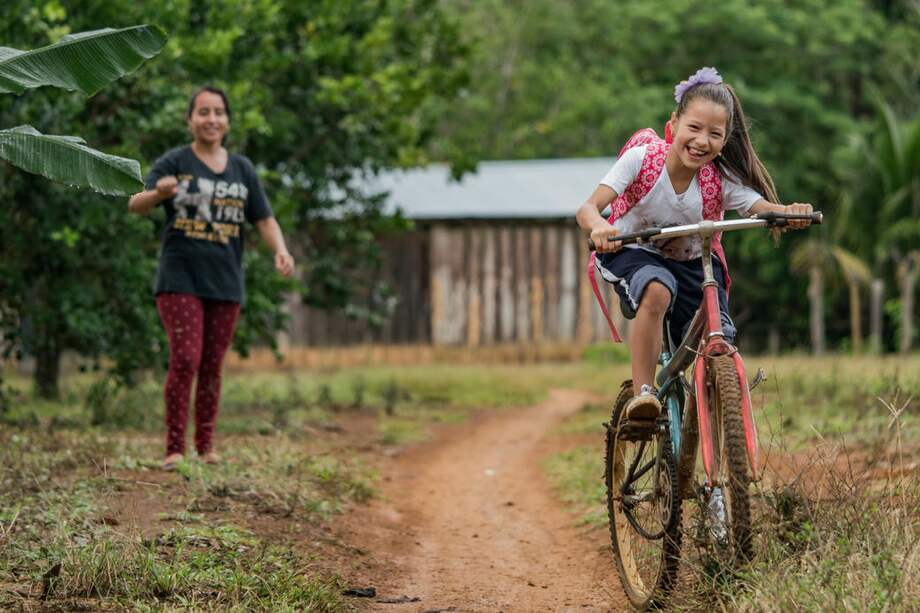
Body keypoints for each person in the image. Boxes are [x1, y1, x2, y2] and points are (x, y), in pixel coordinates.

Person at [575, 67, 812, 420]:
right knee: (656, 290)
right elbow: (588, 208)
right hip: (631, 251)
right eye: (694, 128)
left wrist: (786, 211)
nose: (702, 141)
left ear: (725, 139)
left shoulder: (718, 180)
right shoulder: (644, 160)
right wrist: (598, 227)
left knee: (717, 331)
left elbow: (758, 205)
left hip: (690, 261)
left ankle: (720, 407)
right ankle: (644, 395)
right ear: (674, 123)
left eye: (714, 134)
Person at [128, 86, 295, 470]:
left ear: (228, 121)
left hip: (225, 281)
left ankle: (205, 447)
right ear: (190, 120)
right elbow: (134, 203)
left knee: (212, 365)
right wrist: (158, 193)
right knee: (186, 358)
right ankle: (174, 449)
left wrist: (280, 250)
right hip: (179, 276)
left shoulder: (243, 169)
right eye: (203, 112)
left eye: (218, 112)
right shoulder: (174, 161)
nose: (212, 119)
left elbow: (264, 218)